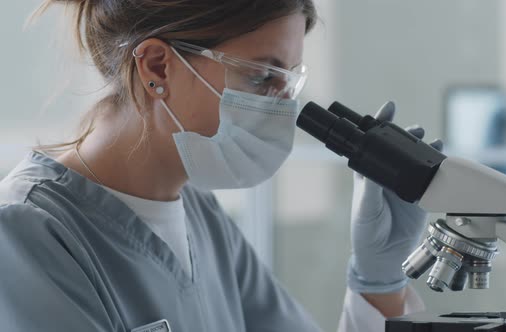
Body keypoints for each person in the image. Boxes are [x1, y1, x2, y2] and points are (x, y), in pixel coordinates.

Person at [0, 0, 441, 331]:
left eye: (288, 81)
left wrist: (377, 281)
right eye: (262, 76)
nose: (281, 107)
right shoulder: (26, 235)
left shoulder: (205, 222)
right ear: (158, 67)